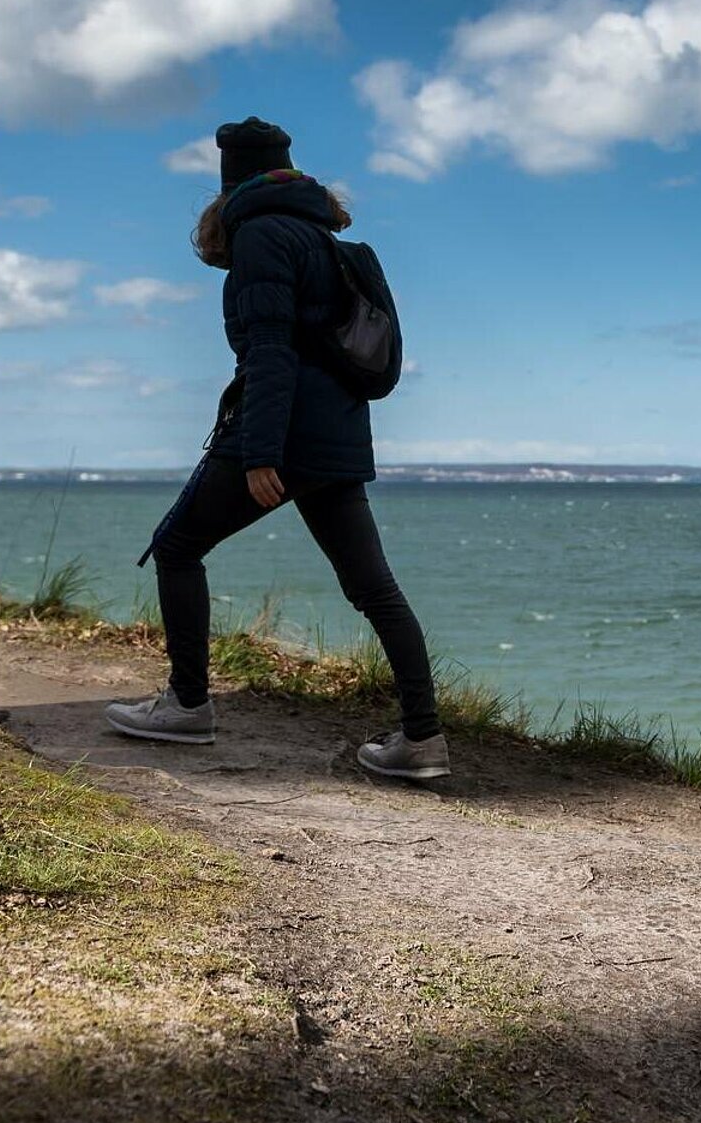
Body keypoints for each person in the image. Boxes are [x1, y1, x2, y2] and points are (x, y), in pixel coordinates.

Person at [105, 118, 448, 781]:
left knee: (177, 548)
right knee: (374, 588)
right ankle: (424, 739)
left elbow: (271, 352)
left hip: (281, 438)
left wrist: (261, 452)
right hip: (338, 435)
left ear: (232, 185)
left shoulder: (261, 236)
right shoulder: (322, 237)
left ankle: (187, 706)